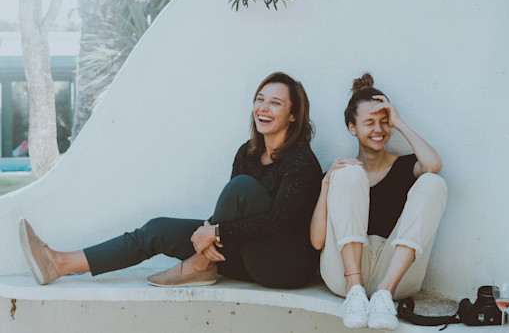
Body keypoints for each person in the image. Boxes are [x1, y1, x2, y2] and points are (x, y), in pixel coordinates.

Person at [19, 72, 322, 289]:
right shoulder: (249, 152)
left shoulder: (300, 160)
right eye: (260, 99)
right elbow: (233, 214)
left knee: (240, 188)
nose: (263, 108)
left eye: (276, 103)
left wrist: (215, 230)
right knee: (156, 229)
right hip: (246, 254)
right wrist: (212, 233)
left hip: (285, 268)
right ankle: (59, 263)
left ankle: (200, 265)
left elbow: (280, 222)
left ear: (293, 115)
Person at [310, 73, 447, 330]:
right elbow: (317, 241)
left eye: (384, 122)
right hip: (343, 275)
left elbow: (434, 164)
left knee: (433, 181)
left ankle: (383, 293)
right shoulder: (341, 174)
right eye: (369, 122)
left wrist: (400, 123)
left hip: (395, 275)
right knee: (348, 172)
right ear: (352, 128)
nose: (378, 130)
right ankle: (355, 288)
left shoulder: (405, 166)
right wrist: (326, 183)